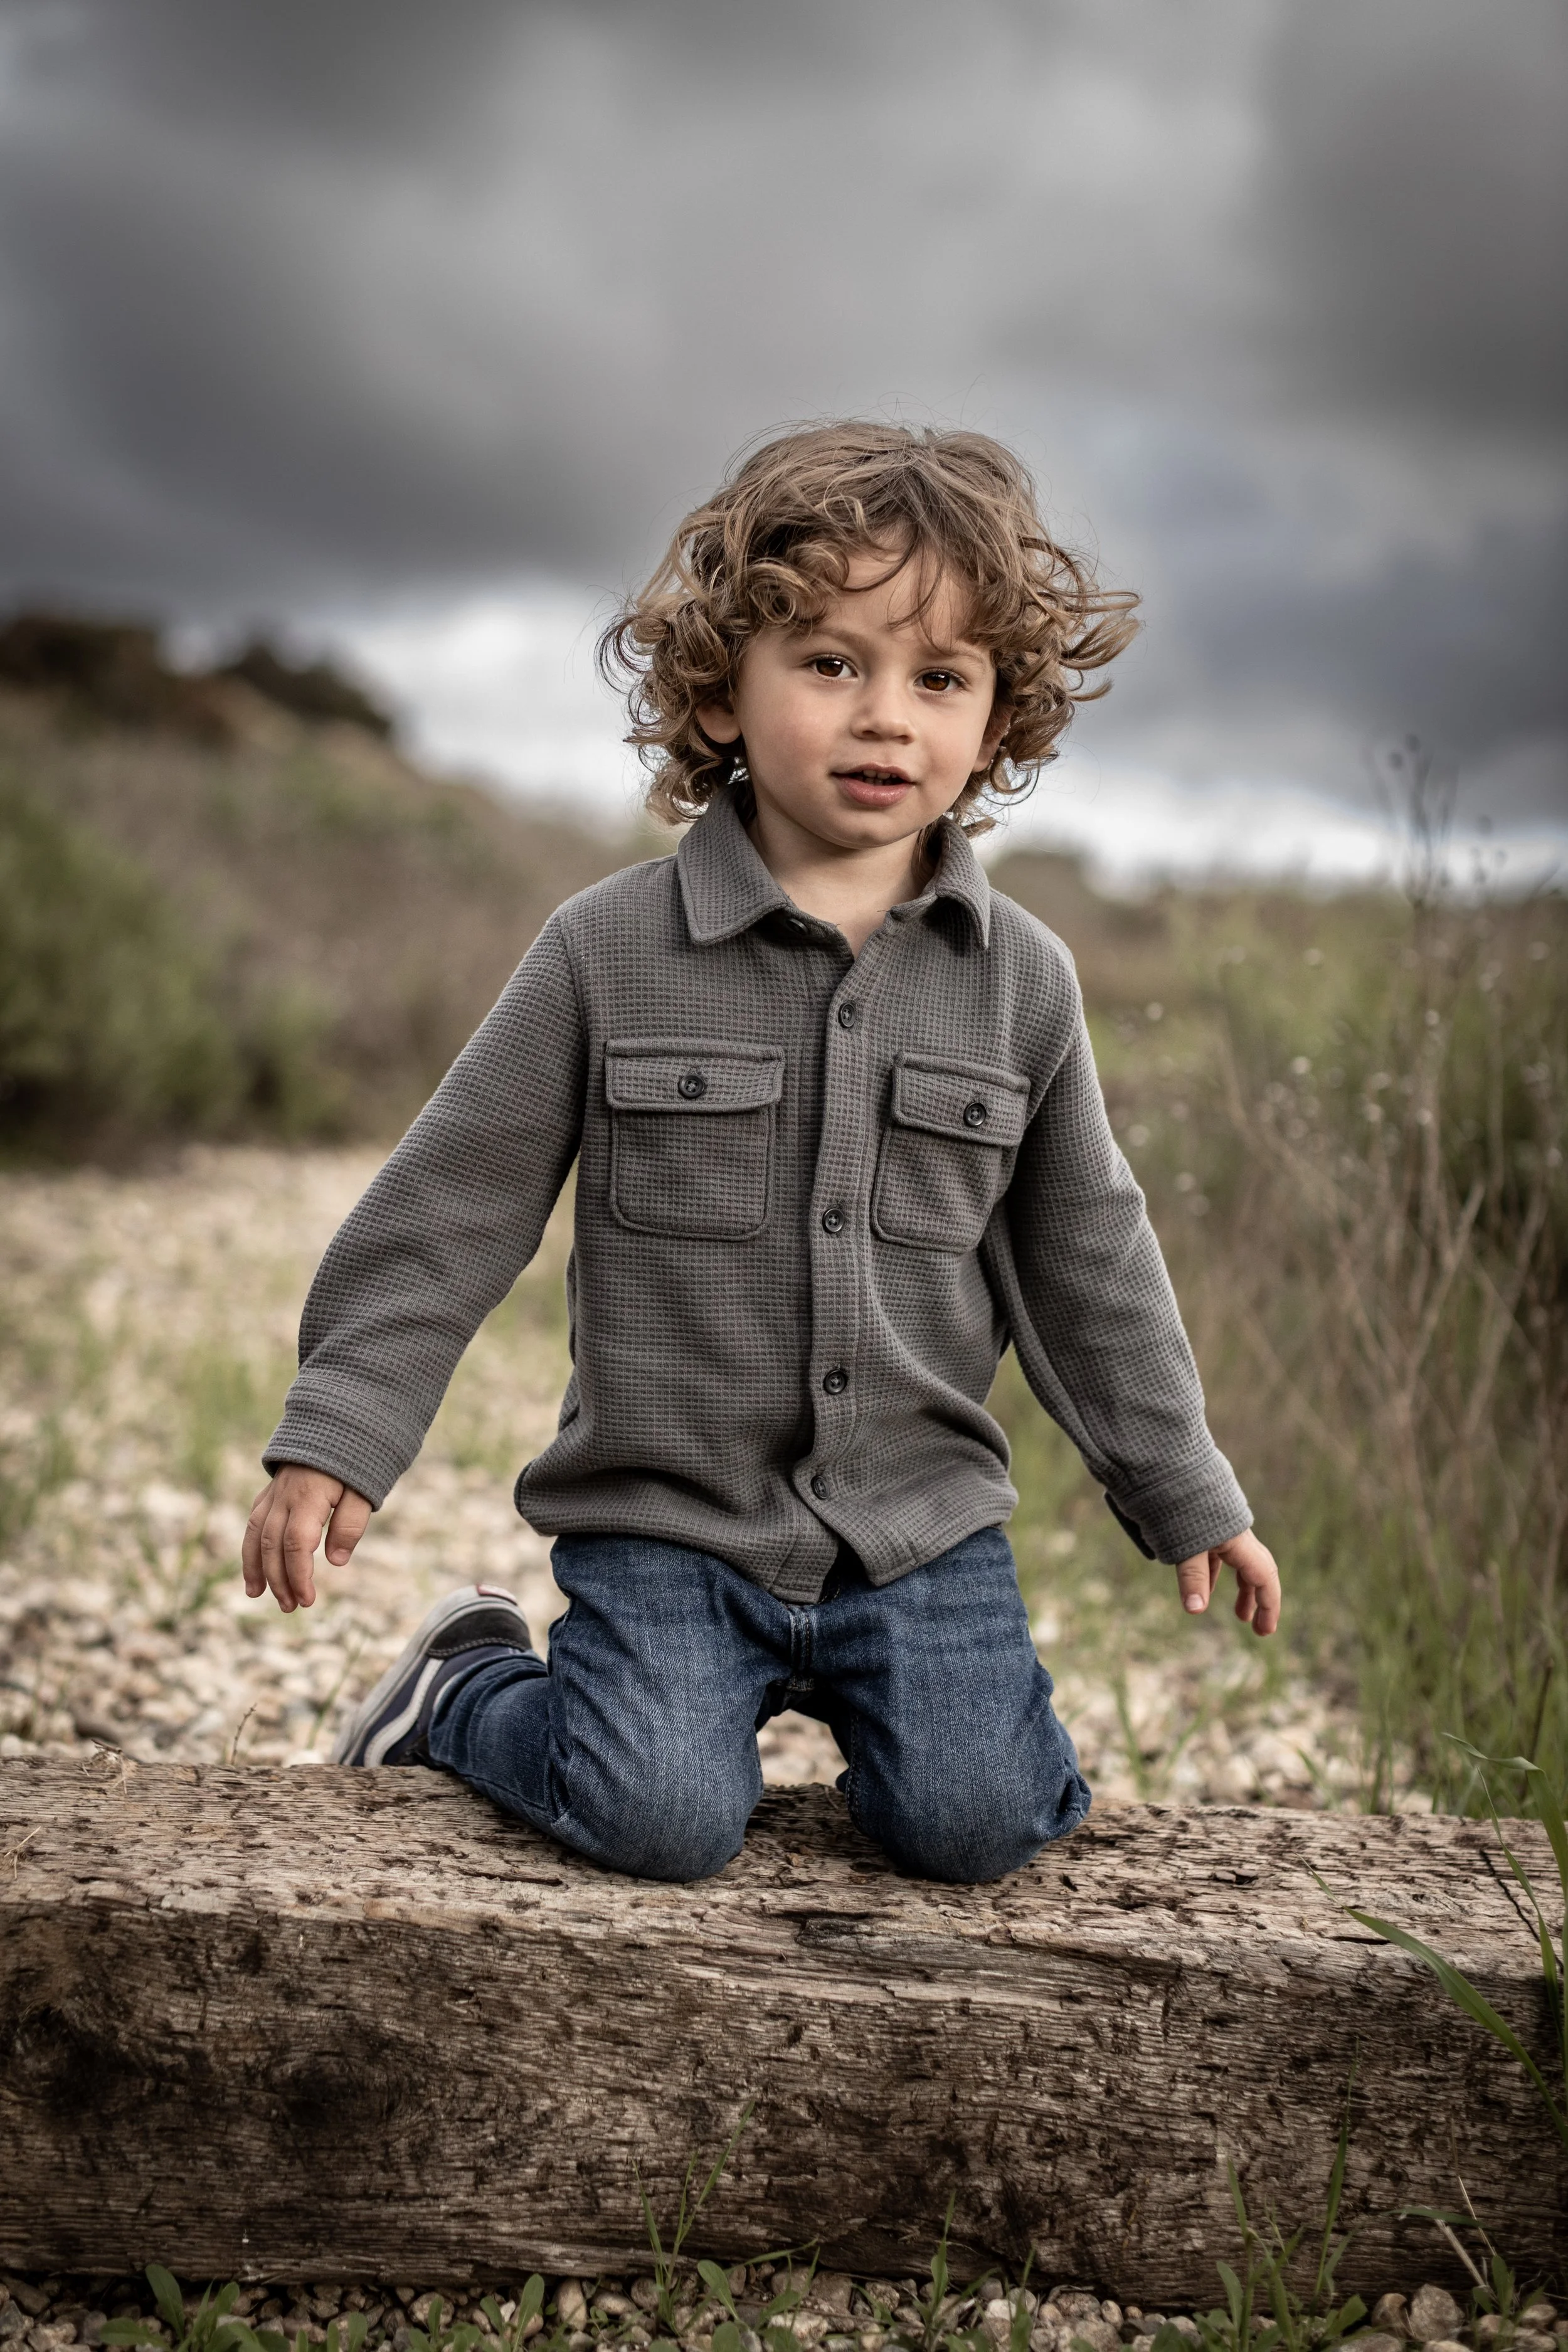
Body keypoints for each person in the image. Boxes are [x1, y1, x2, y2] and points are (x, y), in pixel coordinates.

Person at [242, 421, 1281, 1883]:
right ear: (723, 690)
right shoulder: (605, 951)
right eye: (830, 662)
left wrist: (1184, 1491)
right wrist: (339, 1432)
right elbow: (453, 1202)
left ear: (996, 720)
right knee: (655, 1820)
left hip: (919, 1533)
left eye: (940, 678)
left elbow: (1086, 1263)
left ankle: (930, 1734)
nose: (885, 718)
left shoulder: (1020, 981)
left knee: (977, 1825)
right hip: (667, 1524)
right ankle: (463, 1684)